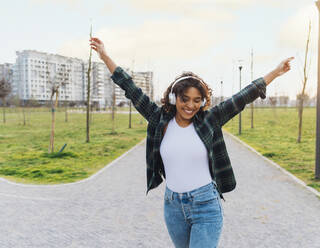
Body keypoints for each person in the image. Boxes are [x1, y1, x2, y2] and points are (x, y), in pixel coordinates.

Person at [90, 37, 293, 248]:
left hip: (205, 204)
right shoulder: (158, 118)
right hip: (173, 206)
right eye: (184, 99)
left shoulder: (210, 120)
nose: (190, 105)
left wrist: (275, 72)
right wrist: (105, 56)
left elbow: (243, 96)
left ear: (203, 102)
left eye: (197, 100)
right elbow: (130, 88)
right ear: (173, 98)